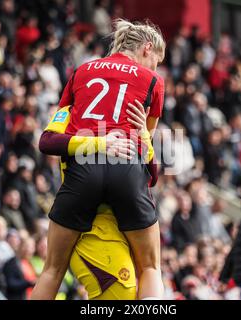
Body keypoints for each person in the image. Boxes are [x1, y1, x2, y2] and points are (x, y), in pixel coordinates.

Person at [32, 19, 165, 300]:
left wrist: (96, 142)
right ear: (147, 48)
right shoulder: (153, 82)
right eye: (156, 60)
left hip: (83, 169)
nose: (155, 68)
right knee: (151, 268)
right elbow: (150, 167)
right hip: (127, 169)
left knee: (52, 270)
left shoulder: (81, 71)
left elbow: (53, 134)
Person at [35, 101, 158, 299]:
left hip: (115, 230)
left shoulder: (126, 114)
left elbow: (150, 176)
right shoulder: (72, 110)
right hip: (89, 232)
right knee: (143, 274)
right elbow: (47, 141)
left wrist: (144, 133)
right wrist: (100, 143)